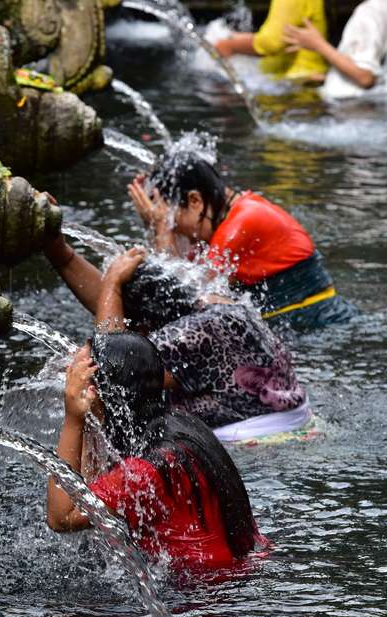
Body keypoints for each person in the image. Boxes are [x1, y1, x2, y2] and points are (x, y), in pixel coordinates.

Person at [44, 237, 312, 441]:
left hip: (256, 444)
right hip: (301, 425)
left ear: (144, 326)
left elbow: (111, 364)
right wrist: (60, 251)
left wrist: (113, 283)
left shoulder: (185, 337)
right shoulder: (215, 305)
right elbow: (115, 310)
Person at [46, 331, 266, 570]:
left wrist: (74, 420)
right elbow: (93, 488)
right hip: (241, 567)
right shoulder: (179, 424)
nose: (69, 379)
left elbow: (62, 518)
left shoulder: (144, 471)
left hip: (200, 593)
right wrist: (91, 422)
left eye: (78, 375)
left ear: (99, 392)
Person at [127, 150, 356, 330]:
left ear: (195, 200)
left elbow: (179, 299)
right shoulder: (224, 216)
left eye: (172, 222)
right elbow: (179, 274)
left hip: (319, 326)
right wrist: (155, 225)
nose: (177, 233)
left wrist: (161, 230)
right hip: (302, 324)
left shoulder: (240, 226)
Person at [282, 0, 387, 100]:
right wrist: (330, 76)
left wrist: (318, 45)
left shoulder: (368, 12)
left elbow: (365, 78)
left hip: (355, 111)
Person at [213, 0, 329, 82]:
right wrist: (238, 37)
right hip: (295, 79)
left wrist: (229, 46)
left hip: (296, 82)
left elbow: (272, 43)